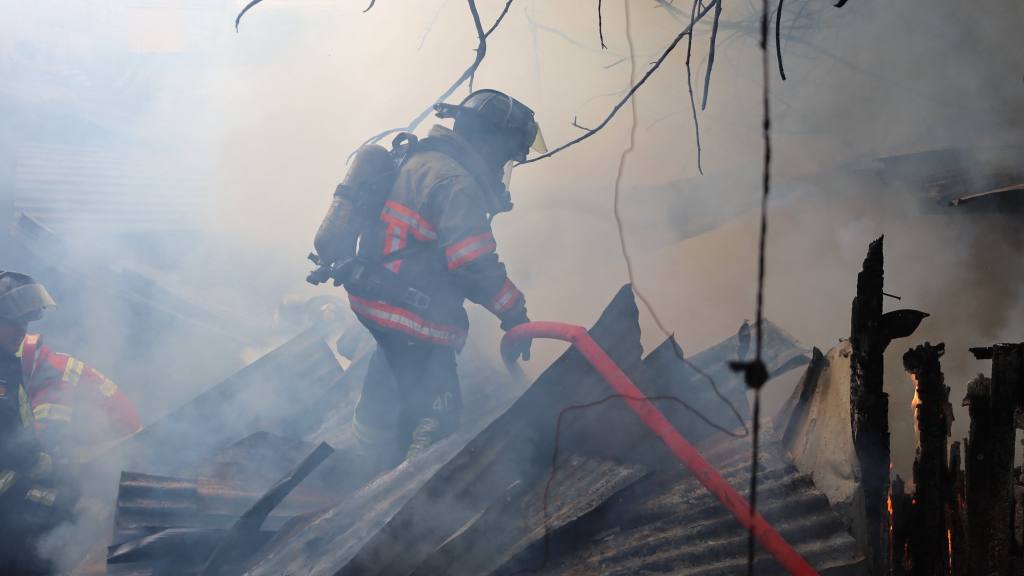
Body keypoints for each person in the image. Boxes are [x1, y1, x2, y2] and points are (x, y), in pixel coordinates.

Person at [316, 89, 545, 467]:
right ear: (488, 142)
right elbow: (475, 265)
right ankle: (407, 491)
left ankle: (367, 461)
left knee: (387, 379)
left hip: (375, 301)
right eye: (505, 155)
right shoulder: (457, 183)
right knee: (439, 418)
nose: (502, 165)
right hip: (413, 317)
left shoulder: (418, 159)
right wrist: (514, 313)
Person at [0, 271, 142, 572]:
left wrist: (57, 474)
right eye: (13, 323)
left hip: (112, 450)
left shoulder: (32, 372)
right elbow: (30, 442)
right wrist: (50, 472)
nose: (21, 332)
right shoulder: (24, 372)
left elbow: (41, 440)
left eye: (25, 324)